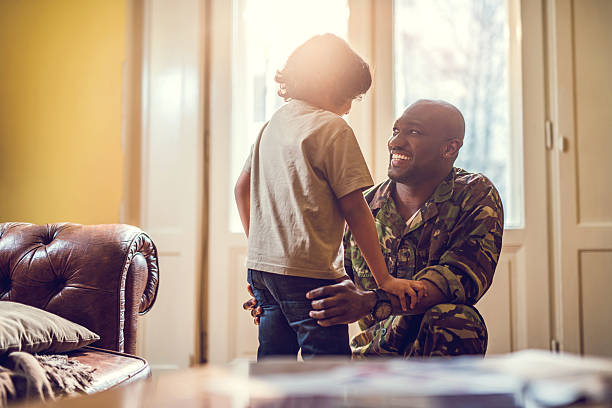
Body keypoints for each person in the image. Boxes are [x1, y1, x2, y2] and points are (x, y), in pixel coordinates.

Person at [245, 99, 504, 358]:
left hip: (436, 348)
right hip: (373, 356)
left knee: (457, 319)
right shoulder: (361, 205)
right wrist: (279, 294)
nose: (395, 142)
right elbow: (328, 275)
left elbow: (461, 278)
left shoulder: (474, 194)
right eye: (395, 131)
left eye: (413, 132)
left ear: (449, 149)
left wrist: (371, 300)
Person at [234, 34, 426, 360]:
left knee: (273, 362)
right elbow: (355, 208)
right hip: (310, 273)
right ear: (330, 84)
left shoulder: (272, 125)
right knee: (327, 366)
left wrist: (262, 252)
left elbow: (241, 189)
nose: (349, 107)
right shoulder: (332, 129)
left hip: (263, 272)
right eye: (349, 96)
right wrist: (385, 278)